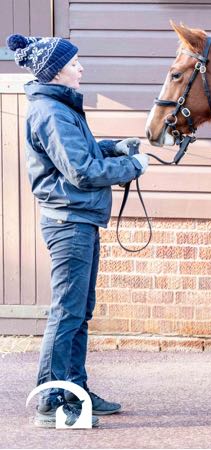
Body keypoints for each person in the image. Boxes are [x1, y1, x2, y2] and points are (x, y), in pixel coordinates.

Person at [7, 33, 150, 428]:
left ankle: (75, 391)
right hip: (69, 223)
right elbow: (81, 171)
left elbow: (80, 153)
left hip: (79, 221)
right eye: (74, 63)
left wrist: (113, 148)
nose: (81, 68)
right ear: (56, 72)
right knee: (66, 312)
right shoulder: (52, 112)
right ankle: (51, 401)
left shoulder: (60, 108)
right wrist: (131, 167)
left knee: (78, 311)